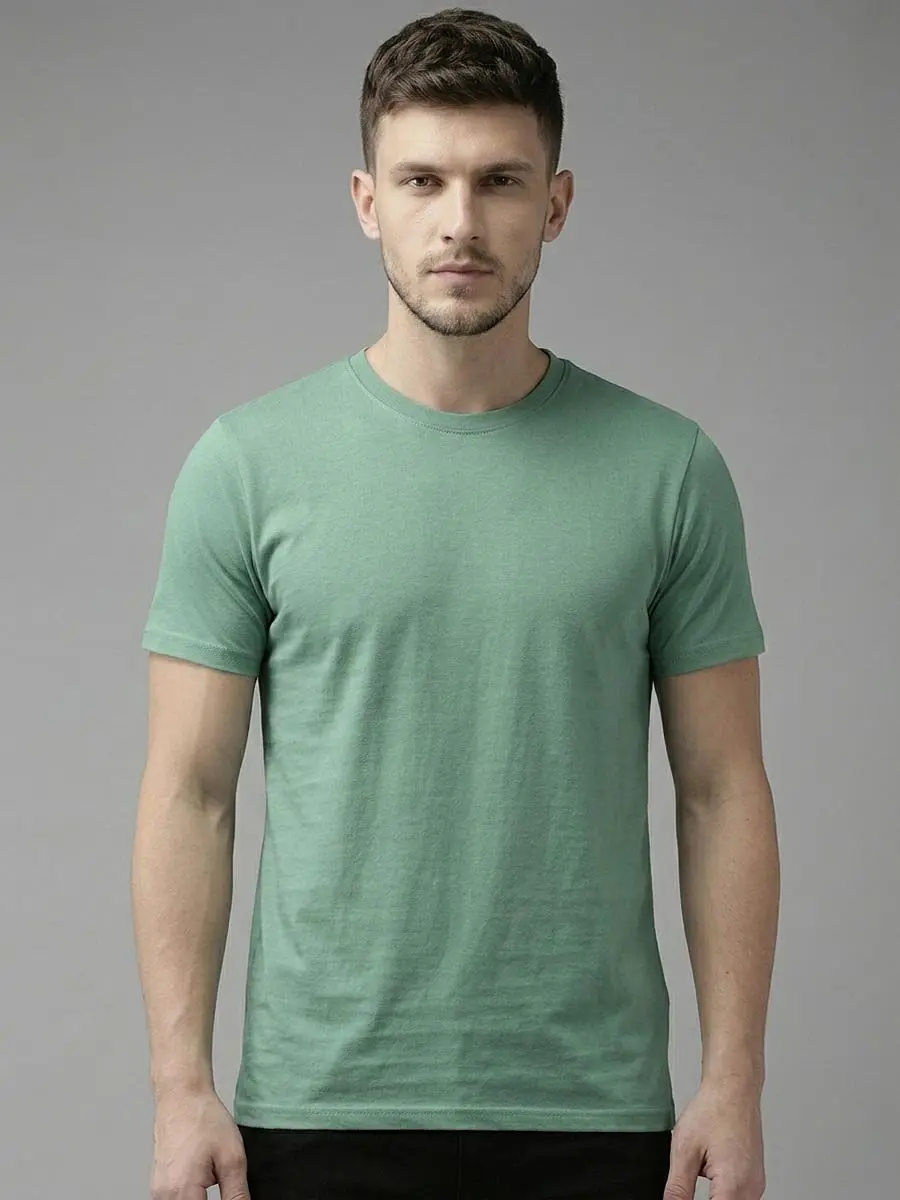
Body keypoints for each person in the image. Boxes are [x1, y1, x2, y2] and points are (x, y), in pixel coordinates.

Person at [132, 8, 780, 1199]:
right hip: (320, 1106)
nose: (461, 223)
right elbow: (190, 793)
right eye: (422, 180)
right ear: (366, 200)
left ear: (558, 204)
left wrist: (733, 1082)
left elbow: (722, 789)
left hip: (590, 1109)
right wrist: (181, 1088)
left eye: (500, 181)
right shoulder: (246, 466)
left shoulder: (670, 470)